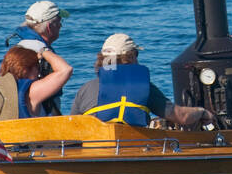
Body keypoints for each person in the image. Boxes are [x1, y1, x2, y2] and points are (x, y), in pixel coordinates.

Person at [70, 33, 215, 129]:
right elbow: (182, 116)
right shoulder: (143, 87)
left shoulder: (84, 89)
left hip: (93, 150)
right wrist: (202, 113)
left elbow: (71, 126)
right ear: (132, 57)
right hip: (129, 149)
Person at [0, 39, 73, 121]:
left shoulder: (0, 90)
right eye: (37, 67)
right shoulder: (32, 92)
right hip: (30, 141)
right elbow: (65, 70)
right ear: (26, 69)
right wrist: (44, 51)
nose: (39, 71)